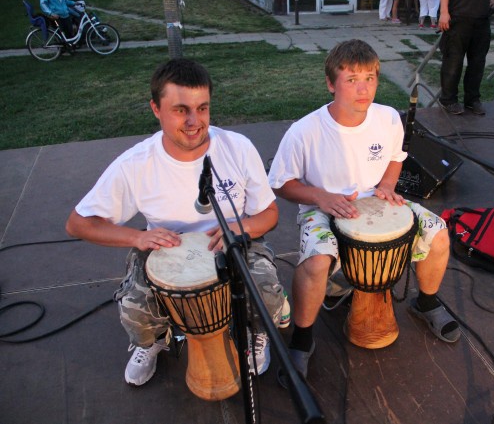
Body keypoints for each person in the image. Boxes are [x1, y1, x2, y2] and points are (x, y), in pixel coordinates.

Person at [65, 59, 289, 385]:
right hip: (168, 248)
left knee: (268, 297)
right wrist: (135, 238)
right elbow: (78, 223)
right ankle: (154, 341)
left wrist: (238, 230)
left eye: (202, 108)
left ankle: (257, 333)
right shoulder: (136, 164)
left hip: (237, 239)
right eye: (181, 110)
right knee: (135, 311)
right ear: (156, 108)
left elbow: (269, 214)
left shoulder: (238, 149)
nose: (194, 121)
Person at [267, 39, 460, 385]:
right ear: (330, 83)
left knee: (439, 231)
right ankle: (302, 338)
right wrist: (319, 196)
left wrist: (387, 185)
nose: (363, 88)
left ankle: (426, 302)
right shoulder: (304, 131)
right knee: (315, 263)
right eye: (352, 78)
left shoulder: (387, 118)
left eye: (370, 77)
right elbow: (281, 183)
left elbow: (395, 159)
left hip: (377, 201)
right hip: (322, 208)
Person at [437, 0, 494, 115]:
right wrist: (444, 12)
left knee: (477, 63)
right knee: (453, 62)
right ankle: (448, 100)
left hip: (482, 19)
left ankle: (472, 99)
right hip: (458, 16)